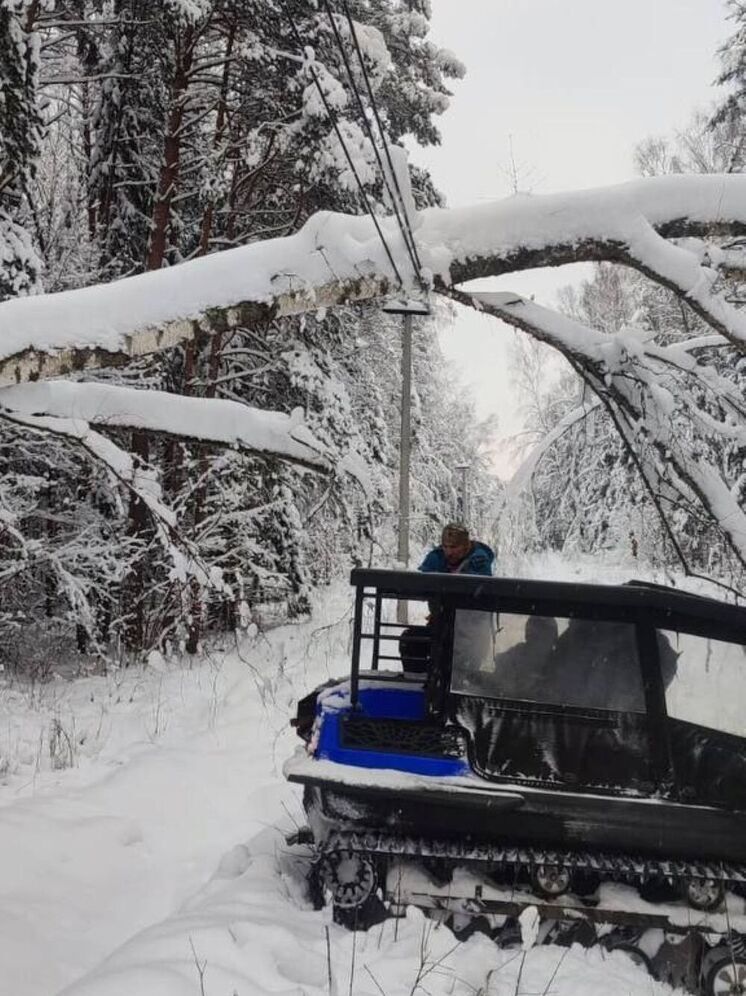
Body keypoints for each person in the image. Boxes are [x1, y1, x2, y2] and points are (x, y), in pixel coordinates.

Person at [419, 523, 494, 576]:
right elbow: (422, 583)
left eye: (453, 547)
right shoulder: (436, 556)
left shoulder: (479, 560)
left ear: (466, 546)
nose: (449, 552)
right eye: (445, 546)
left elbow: (483, 589)